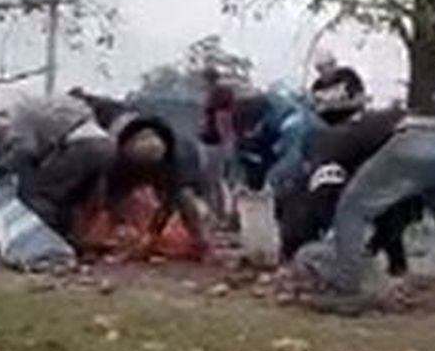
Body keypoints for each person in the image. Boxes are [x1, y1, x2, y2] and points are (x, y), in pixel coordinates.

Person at [314, 90, 435, 314]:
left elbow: (335, 179)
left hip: (413, 140)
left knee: (352, 209)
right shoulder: (381, 118)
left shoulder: (345, 136)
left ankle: (347, 287)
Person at [279, 107, 422, 276]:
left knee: (360, 215)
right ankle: (394, 268)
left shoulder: (319, 176)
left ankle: (383, 269)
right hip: (414, 143)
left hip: (397, 149)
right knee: (380, 213)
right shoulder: (330, 156)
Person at [0, 93, 115, 245]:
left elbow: (26, 150)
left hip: (83, 147)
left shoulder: (18, 113)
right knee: (71, 196)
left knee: (36, 192)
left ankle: (49, 243)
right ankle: (75, 241)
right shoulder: (58, 103)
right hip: (107, 144)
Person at [104, 114, 210, 260]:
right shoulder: (120, 159)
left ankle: (200, 241)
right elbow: (113, 192)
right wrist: (118, 222)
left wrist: (153, 232)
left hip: (186, 163)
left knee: (184, 198)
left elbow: (170, 202)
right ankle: (126, 233)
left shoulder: (179, 160)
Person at [232, 88, 321, 204]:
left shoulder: (293, 121)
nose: (250, 135)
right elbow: (241, 148)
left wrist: (271, 180)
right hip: (277, 139)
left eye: (252, 131)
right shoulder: (253, 113)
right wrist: (239, 180)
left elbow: (294, 157)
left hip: (313, 151)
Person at [198, 67, 237, 226]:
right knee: (214, 180)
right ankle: (218, 215)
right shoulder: (214, 93)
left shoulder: (218, 94)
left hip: (215, 143)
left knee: (214, 180)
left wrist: (226, 141)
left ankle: (218, 216)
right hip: (211, 141)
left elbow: (223, 118)